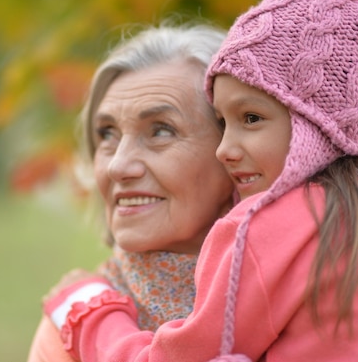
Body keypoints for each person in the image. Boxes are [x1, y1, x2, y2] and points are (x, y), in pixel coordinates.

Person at [43, 0, 358, 362]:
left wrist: (85, 307)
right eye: (106, 134)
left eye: (250, 119)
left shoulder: (264, 231)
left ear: (316, 126)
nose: (225, 149)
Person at [27, 23, 235, 361]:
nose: (118, 166)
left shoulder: (304, 297)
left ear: (234, 152)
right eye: (107, 134)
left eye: (161, 130)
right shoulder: (68, 328)